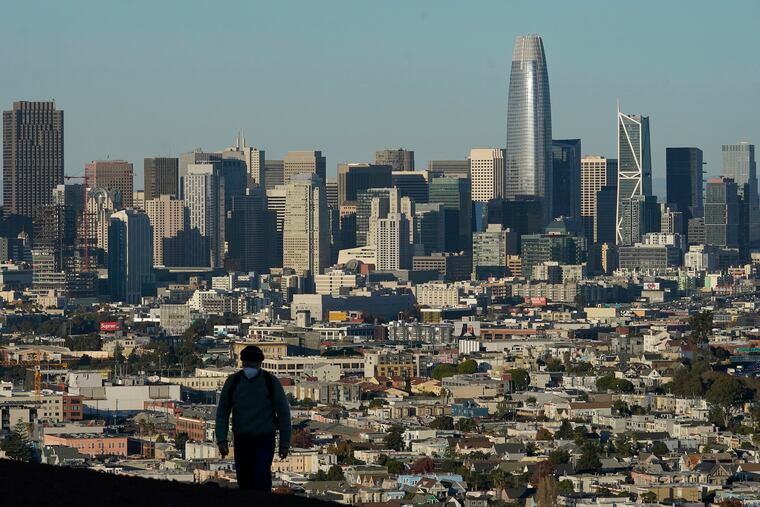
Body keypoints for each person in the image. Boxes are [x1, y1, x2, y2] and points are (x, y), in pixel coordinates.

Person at [216, 345, 292, 492]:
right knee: (245, 478)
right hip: (242, 438)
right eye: (247, 363)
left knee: (261, 477)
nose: (249, 366)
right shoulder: (234, 382)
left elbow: (283, 414)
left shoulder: (270, 383)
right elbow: (223, 412)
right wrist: (221, 439)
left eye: (252, 363)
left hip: (264, 439)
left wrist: (284, 443)